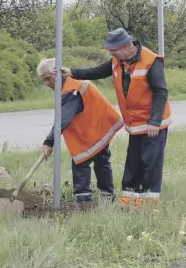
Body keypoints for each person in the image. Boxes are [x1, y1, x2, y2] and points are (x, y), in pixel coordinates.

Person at [62, 28, 172, 208]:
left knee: (150, 164)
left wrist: (155, 122)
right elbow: (97, 71)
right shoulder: (117, 61)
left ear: (126, 47)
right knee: (133, 163)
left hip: (153, 124)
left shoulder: (151, 61)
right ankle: (130, 202)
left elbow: (161, 92)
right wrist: (72, 72)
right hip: (135, 124)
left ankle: (147, 205)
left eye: (113, 50)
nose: (112, 54)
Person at [37, 58, 123, 205]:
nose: (47, 83)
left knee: (81, 161)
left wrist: (49, 141)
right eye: (44, 80)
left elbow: (63, 119)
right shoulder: (71, 85)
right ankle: (107, 196)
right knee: (101, 160)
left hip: (94, 129)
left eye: (48, 78)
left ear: (57, 73)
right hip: (95, 128)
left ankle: (84, 200)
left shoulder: (71, 90)